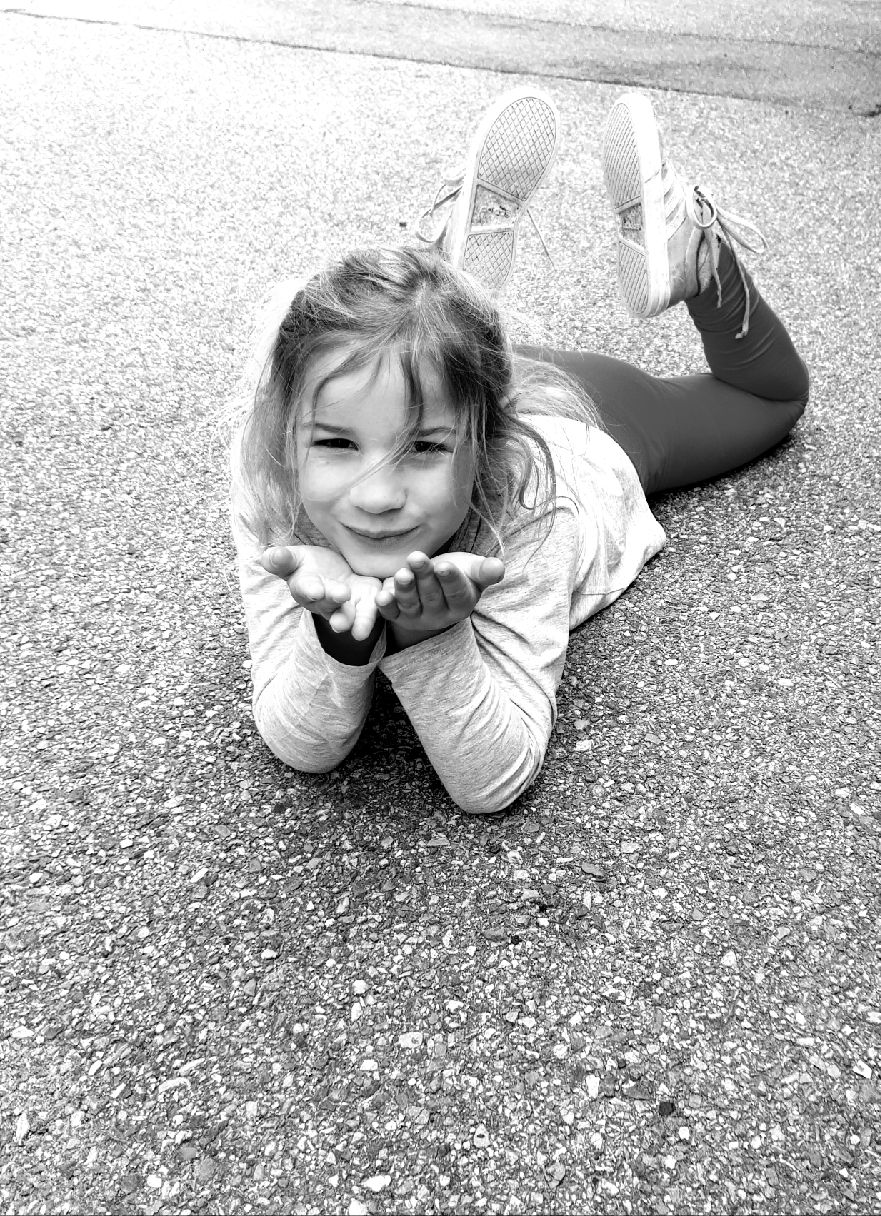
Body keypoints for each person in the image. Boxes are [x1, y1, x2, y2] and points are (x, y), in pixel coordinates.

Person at [229, 87, 810, 813]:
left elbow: (491, 782)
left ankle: (696, 250)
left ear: (489, 447)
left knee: (773, 396)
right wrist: (337, 640)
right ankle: (446, 287)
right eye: (337, 444)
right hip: (440, 381)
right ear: (287, 432)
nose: (377, 497)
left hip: (596, 423)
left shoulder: (534, 497)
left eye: (423, 452)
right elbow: (301, 743)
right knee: (412, 359)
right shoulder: (273, 479)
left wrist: (425, 635)